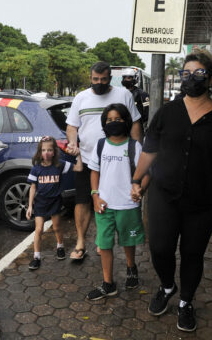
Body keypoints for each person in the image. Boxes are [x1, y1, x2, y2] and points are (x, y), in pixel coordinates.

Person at [131, 49, 212, 332]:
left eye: (198, 74)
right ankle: (168, 286)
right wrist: (137, 180)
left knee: (192, 252)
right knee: (159, 247)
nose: (191, 79)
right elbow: (150, 150)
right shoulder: (168, 112)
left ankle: (186, 302)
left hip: (205, 200)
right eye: (186, 74)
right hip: (164, 194)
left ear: (210, 79)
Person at [66, 61, 142, 260]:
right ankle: (81, 242)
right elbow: (72, 126)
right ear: (90, 78)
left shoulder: (123, 95)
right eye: (95, 79)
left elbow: (135, 123)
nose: (99, 83)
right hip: (87, 159)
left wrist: (136, 152)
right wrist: (73, 143)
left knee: (114, 201)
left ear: (110, 78)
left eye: (103, 79)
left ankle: (104, 241)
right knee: (83, 200)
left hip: (117, 160)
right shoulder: (81, 98)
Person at [86, 103, 149, 300]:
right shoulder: (100, 145)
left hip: (127, 205)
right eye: (109, 120)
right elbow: (94, 171)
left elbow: (147, 173)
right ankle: (108, 283)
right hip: (104, 205)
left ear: (127, 121)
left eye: (118, 119)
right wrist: (95, 195)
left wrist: (140, 189)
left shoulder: (134, 146)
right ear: (104, 123)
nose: (114, 123)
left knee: (128, 241)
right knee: (104, 244)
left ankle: (131, 267)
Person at [26, 136, 82, 270]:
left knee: (57, 227)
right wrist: (29, 206)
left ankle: (60, 246)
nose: (46, 153)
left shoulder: (59, 165)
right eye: (44, 150)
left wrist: (78, 155)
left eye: (50, 150)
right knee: (38, 229)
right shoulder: (36, 168)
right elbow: (33, 187)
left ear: (54, 151)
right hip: (40, 203)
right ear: (40, 152)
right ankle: (36, 257)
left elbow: (79, 168)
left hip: (55, 201)